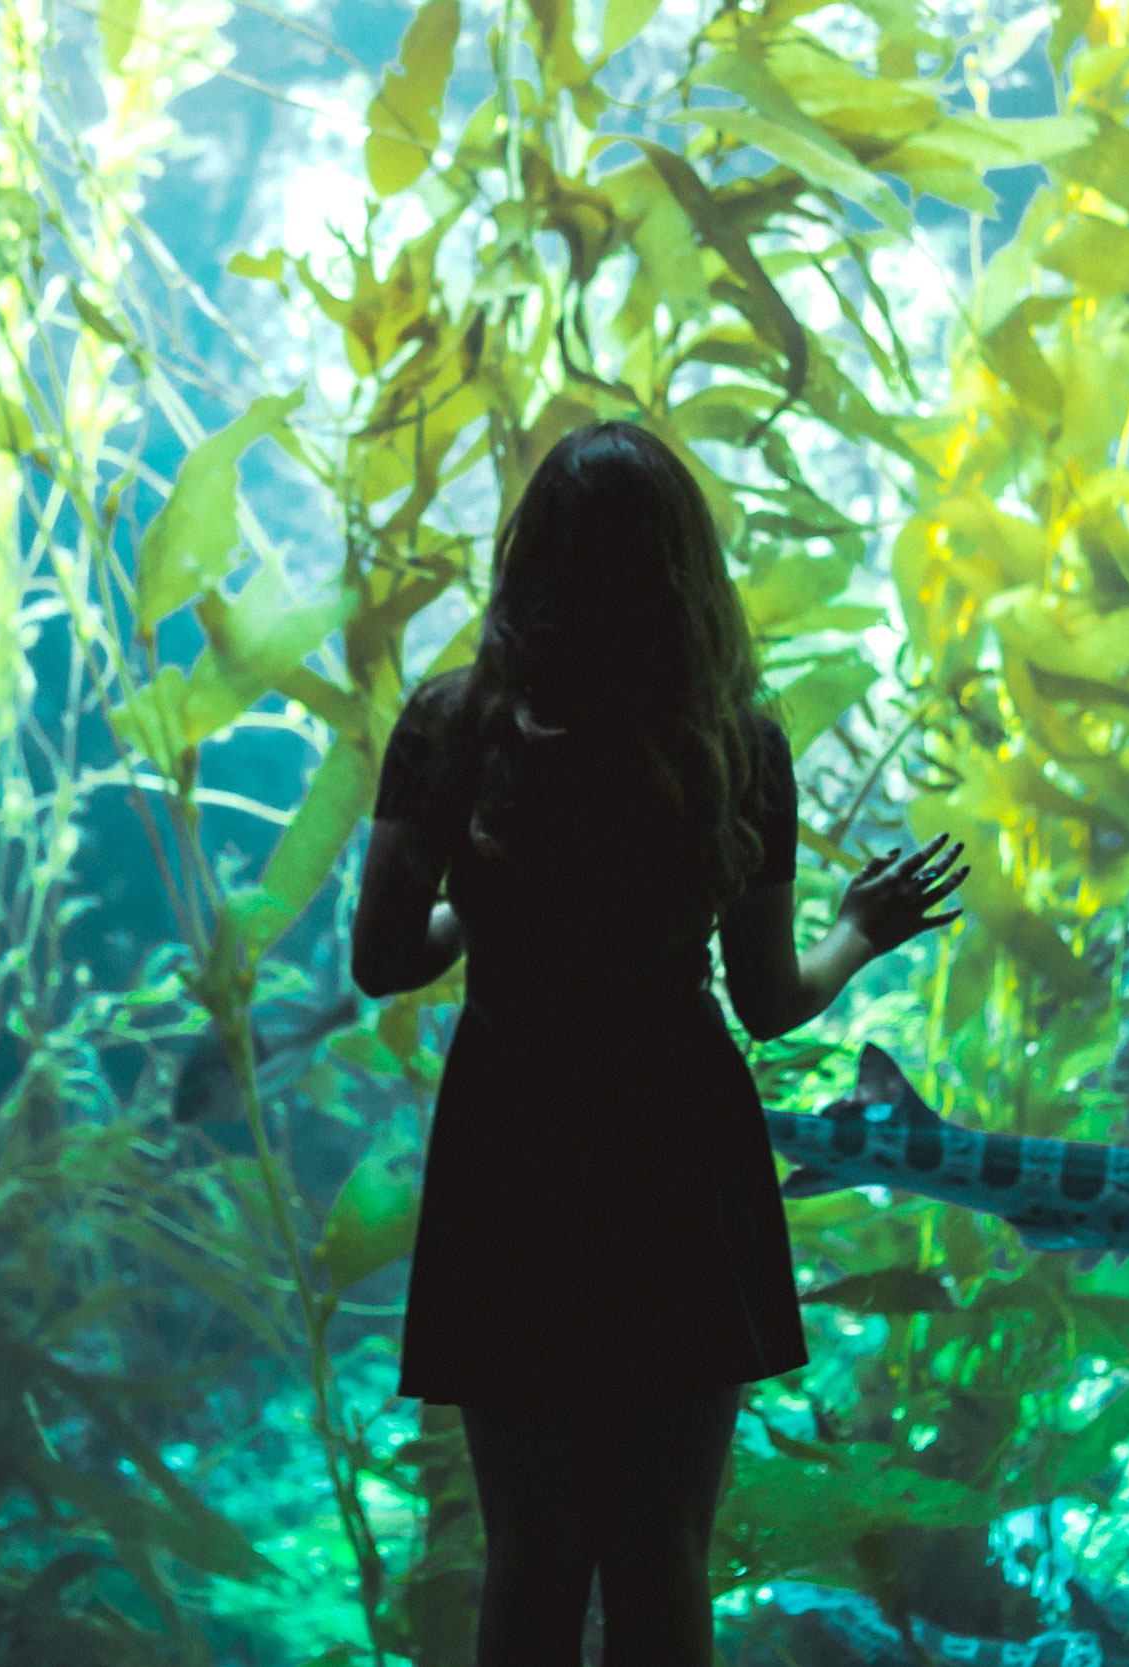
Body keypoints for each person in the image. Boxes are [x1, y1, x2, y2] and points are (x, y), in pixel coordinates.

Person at [350, 420, 967, 1667]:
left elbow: (382, 960)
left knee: (529, 1551)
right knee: (658, 1550)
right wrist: (857, 931)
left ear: (529, 560)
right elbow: (768, 999)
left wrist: (496, 888)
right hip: (671, 1139)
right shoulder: (736, 739)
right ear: (686, 572)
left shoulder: (450, 724)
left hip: (512, 1132)